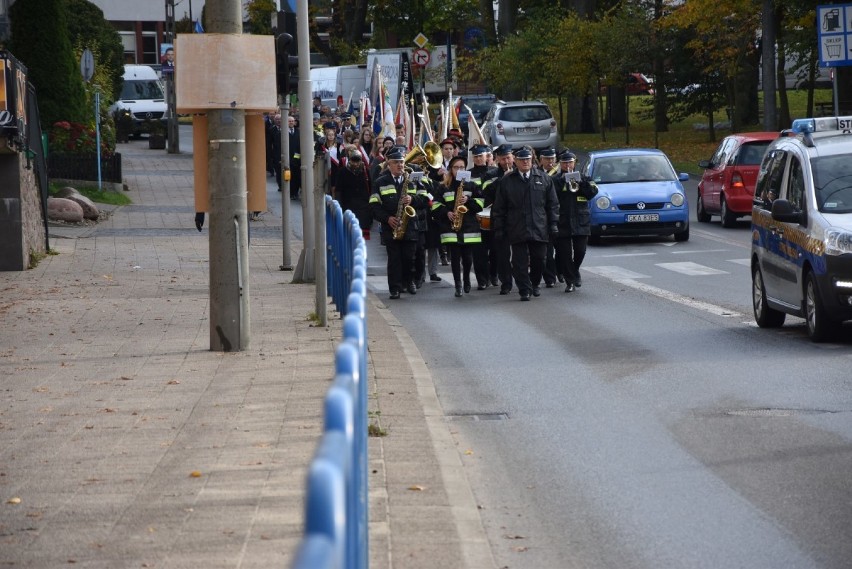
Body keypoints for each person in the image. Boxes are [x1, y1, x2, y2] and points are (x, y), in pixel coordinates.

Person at [491, 146, 559, 301]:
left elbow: (552, 204)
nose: (525, 162)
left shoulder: (543, 178)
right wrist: (499, 227)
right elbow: (499, 207)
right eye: (522, 160)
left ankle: (534, 283)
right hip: (516, 227)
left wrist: (553, 224)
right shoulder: (507, 181)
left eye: (527, 159)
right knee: (519, 262)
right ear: (516, 161)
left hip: (539, 226)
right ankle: (524, 289)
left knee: (540, 259)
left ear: (531, 160)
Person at [369, 147, 428, 299]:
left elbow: (425, 199)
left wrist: (412, 199)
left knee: (409, 258)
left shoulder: (413, 179)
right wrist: (387, 218)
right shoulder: (380, 182)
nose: (400, 165)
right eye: (396, 163)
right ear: (389, 164)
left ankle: (409, 282)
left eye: (402, 162)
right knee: (394, 259)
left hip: (410, 226)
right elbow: (374, 205)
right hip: (391, 225)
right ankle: (395, 288)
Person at [432, 156, 484, 296]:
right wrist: (446, 212)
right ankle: (458, 285)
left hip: (468, 227)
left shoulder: (472, 185)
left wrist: (468, 200)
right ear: (451, 169)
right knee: (455, 257)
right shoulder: (443, 186)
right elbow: (435, 205)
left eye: (462, 167)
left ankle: (466, 278)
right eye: (456, 167)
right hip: (451, 227)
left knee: (467, 258)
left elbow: (480, 204)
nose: (459, 170)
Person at [552, 151, 597, 292]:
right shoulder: (555, 180)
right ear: (561, 164)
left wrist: (581, 183)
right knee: (564, 254)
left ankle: (575, 270)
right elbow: (551, 193)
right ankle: (570, 281)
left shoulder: (584, 178)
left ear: (574, 163)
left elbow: (593, 192)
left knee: (580, 251)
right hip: (562, 221)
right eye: (565, 163)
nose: (568, 165)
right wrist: (562, 180)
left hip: (580, 220)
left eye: (570, 162)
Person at [468, 144, 499, 288]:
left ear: (486, 157)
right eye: (475, 157)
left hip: (492, 215)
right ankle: (482, 280)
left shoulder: (494, 172)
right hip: (475, 217)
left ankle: (494, 275)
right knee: (478, 252)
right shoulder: (468, 174)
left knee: (495, 250)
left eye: (480, 156)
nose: (478, 159)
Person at [488, 144, 515, 293]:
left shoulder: (519, 172)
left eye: (508, 158)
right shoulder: (491, 174)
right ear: (497, 159)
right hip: (500, 219)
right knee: (503, 254)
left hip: (517, 219)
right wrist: (502, 180)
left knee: (519, 254)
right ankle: (506, 282)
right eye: (503, 159)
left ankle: (522, 279)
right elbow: (487, 193)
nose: (506, 162)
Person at [335, 146, 374, 240]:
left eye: (358, 160)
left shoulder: (365, 171)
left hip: (363, 206)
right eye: (353, 160)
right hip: (348, 205)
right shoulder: (342, 172)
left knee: (362, 237)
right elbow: (339, 190)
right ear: (349, 160)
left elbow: (370, 187)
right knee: (349, 235)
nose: (356, 163)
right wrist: (340, 206)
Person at [287, 115, 302, 200]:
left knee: (296, 177)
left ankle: (295, 193)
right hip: (287, 158)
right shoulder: (283, 133)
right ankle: (291, 193)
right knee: (289, 177)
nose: (291, 122)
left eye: (293, 121)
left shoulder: (298, 132)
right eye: (290, 121)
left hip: (296, 159)